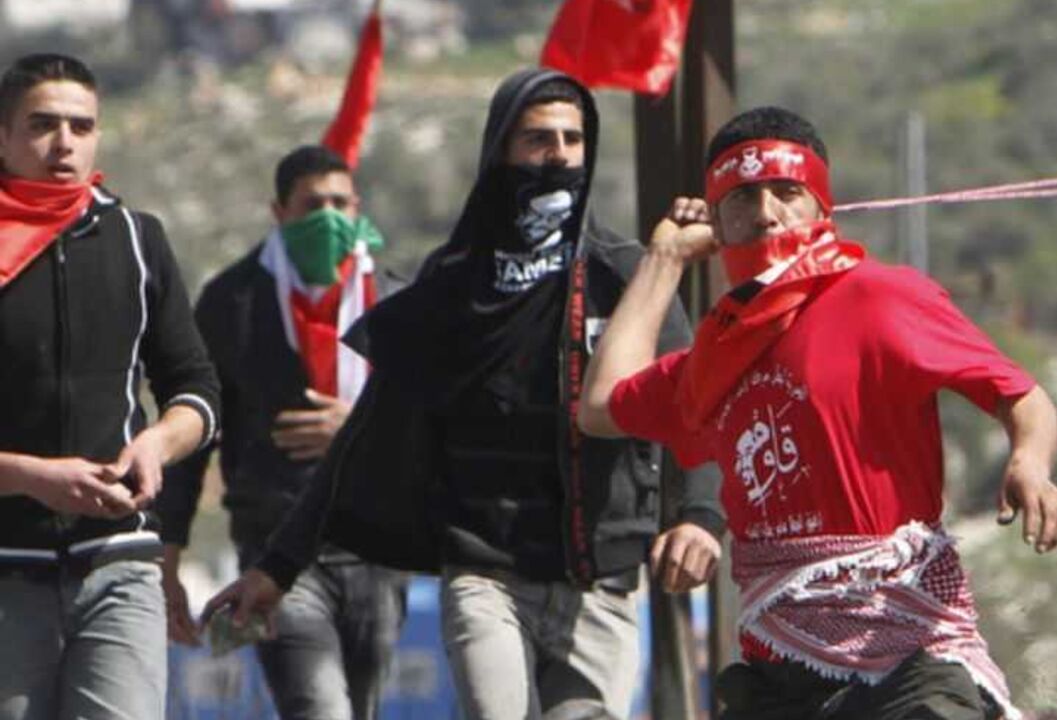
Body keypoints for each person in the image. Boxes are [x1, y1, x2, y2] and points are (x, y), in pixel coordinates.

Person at [202, 68, 726, 720]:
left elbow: (692, 404)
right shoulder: (454, 283)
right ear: (500, 150)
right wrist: (278, 567)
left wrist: (699, 516)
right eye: (537, 139)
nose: (558, 154)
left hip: (602, 579)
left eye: (572, 138)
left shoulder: (625, 274)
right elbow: (367, 428)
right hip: (486, 572)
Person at [577, 106, 1057, 720]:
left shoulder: (880, 296)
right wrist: (665, 260)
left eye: (787, 193)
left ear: (821, 208)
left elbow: (1019, 395)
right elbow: (600, 405)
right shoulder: (714, 356)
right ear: (717, 224)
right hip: (780, 673)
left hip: (906, 656)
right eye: (741, 199)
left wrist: (1030, 463)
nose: (765, 213)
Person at [0, 53, 220, 720]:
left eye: (81, 125)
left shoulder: (136, 238)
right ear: (3, 136)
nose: (64, 142)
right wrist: (31, 475)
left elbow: (196, 388)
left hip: (120, 564)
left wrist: (157, 444)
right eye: (42, 125)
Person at [156, 144, 407, 720]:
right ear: (279, 212)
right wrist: (168, 558)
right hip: (274, 552)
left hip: (375, 547)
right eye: (311, 204)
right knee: (316, 707)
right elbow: (194, 436)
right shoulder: (233, 301)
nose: (328, 217)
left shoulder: (393, 298)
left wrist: (358, 428)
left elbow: (429, 422)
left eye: (339, 203)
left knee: (362, 707)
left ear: (358, 206)